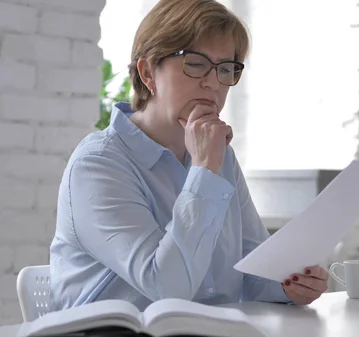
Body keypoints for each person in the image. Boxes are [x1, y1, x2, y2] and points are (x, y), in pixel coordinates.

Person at [49, 0, 329, 311]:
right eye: (195, 63)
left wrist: (290, 284)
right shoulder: (98, 164)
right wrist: (205, 170)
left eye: (225, 68)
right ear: (147, 73)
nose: (213, 83)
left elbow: (253, 272)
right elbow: (166, 287)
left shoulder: (220, 156)